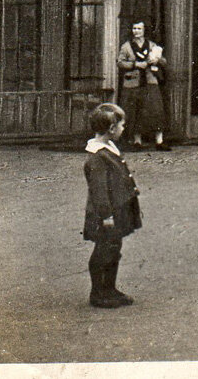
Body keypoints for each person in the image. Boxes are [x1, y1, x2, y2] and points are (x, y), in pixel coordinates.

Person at [82, 103, 143, 309]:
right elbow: (99, 190)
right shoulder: (98, 156)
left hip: (117, 209)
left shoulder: (108, 148)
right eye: (122, 125)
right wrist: (106, 216)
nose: (124, 129)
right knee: (104, 251)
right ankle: (98, 292)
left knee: (114, 248)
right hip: (106, 213)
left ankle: (110, 288)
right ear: (111, 129)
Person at [117, 20, 170, 150]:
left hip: (150, 82)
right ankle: (137, 141)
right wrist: (135, 65)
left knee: (155, 110)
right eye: (134, 28)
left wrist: (156, 60)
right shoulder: (126, 47)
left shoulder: (152, 46)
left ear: (144, 30)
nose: (136, 31)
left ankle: (159, 141)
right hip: (133, 84)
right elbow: (120, 62)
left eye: (139, 29)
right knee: (135, 111)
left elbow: (164, 62)